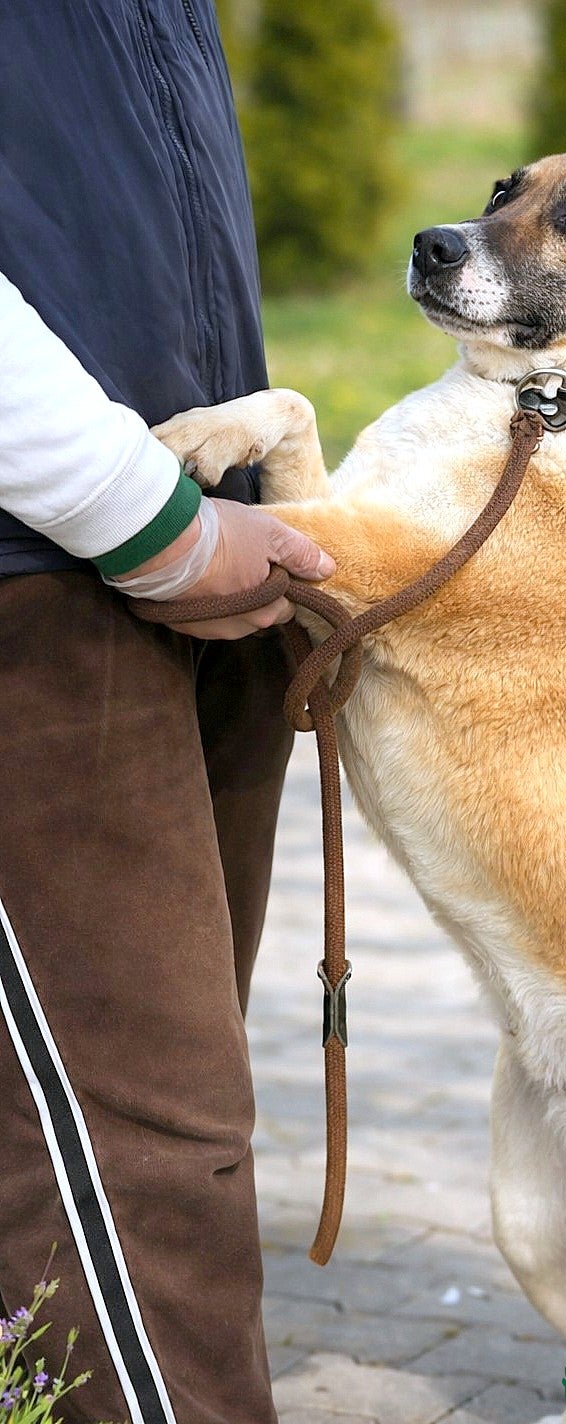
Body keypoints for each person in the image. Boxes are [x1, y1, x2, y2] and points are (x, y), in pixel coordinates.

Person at [0, 6, 334, 1421]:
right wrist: (142, 521)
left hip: (195, 558)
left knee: (134, 1130)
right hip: (49, 577)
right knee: (134, 1173)